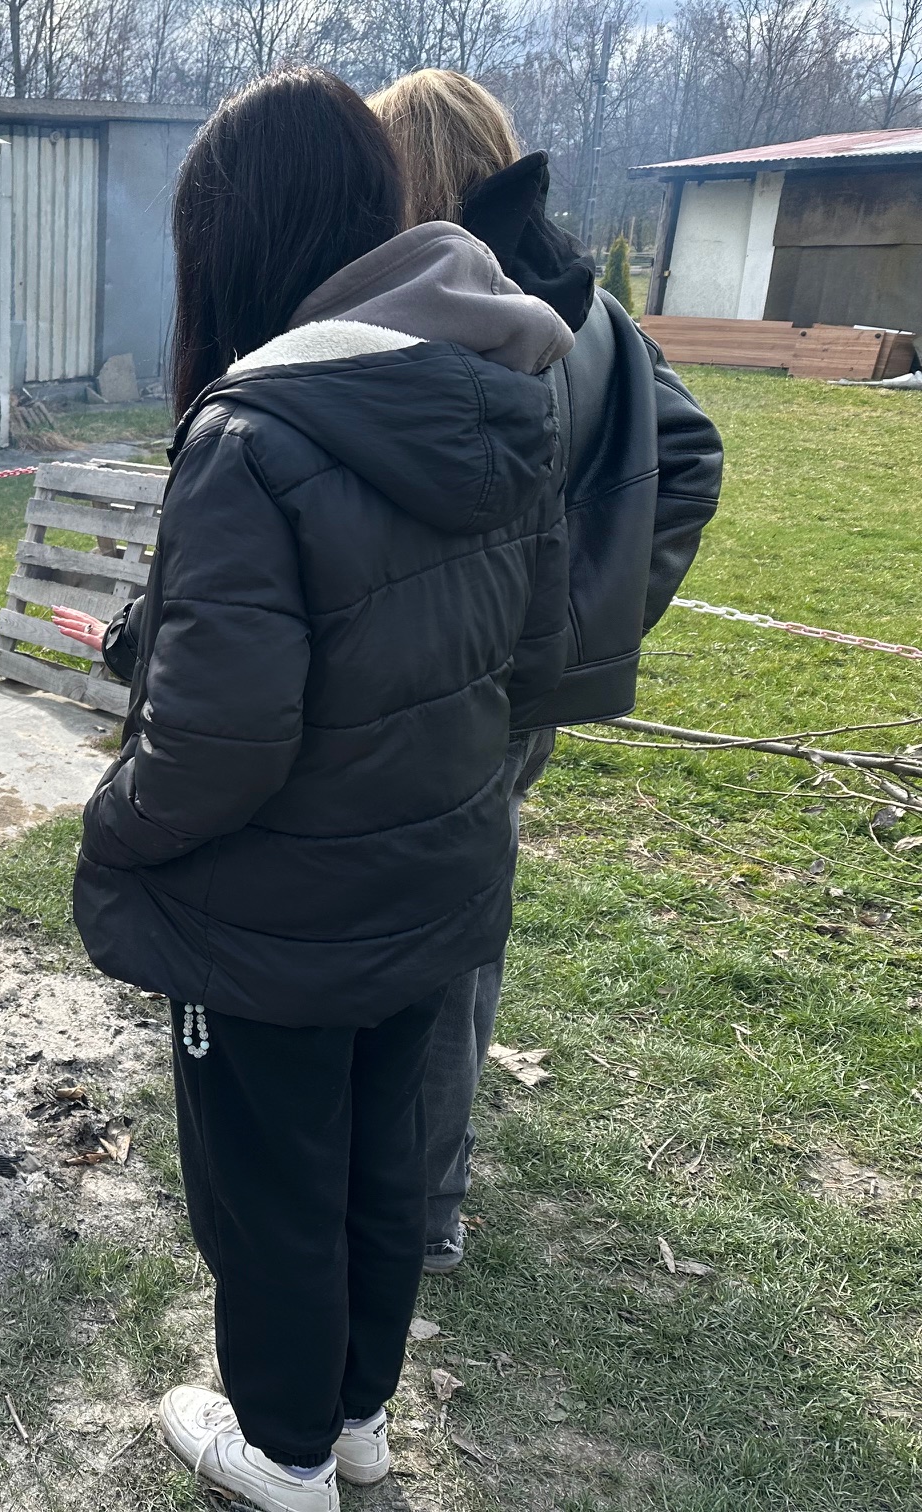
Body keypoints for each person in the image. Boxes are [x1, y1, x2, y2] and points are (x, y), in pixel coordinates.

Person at [67, 67, 574, 1512]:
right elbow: (535, 666)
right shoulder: (499, 391)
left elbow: (218, 746)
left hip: (276, 919)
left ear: (237, 238)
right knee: (377, 1168)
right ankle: (355, 1422)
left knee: (273, 1185)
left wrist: (114, 827)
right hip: (433, 886)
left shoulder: (254, 435)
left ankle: (282, 1452)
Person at [366, 68, 723, 1275]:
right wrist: (579, 630)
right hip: (516, 688)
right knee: (462, 921)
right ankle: (414, 1167)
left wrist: (575, 623)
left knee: (433, 936)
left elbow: (682, 459)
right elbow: (689, 457)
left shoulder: (459, 306)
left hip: (446, 685)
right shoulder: (593, 305)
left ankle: (424, 1204)